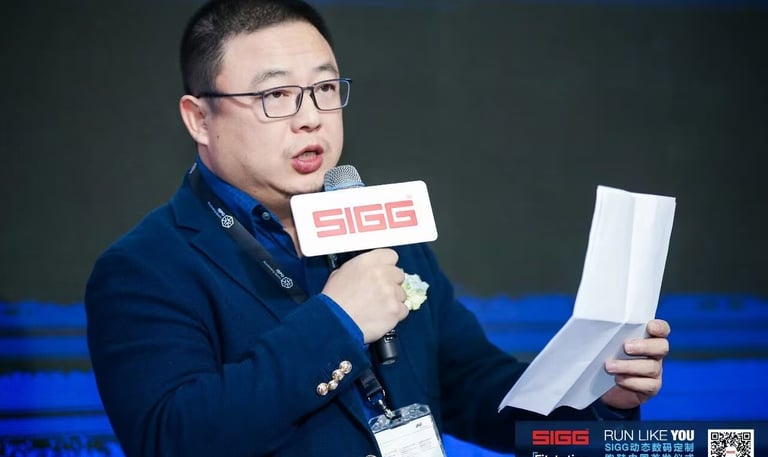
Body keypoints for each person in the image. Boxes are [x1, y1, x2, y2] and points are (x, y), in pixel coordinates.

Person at [84, 1, 671, 456]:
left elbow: (471, 386)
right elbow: (173, 439)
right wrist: (337, 322)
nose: (310, 117)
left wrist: (598, 398)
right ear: (199, 118)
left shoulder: (381, 230)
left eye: (323, 89)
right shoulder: (145, 268)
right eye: (276, 95)